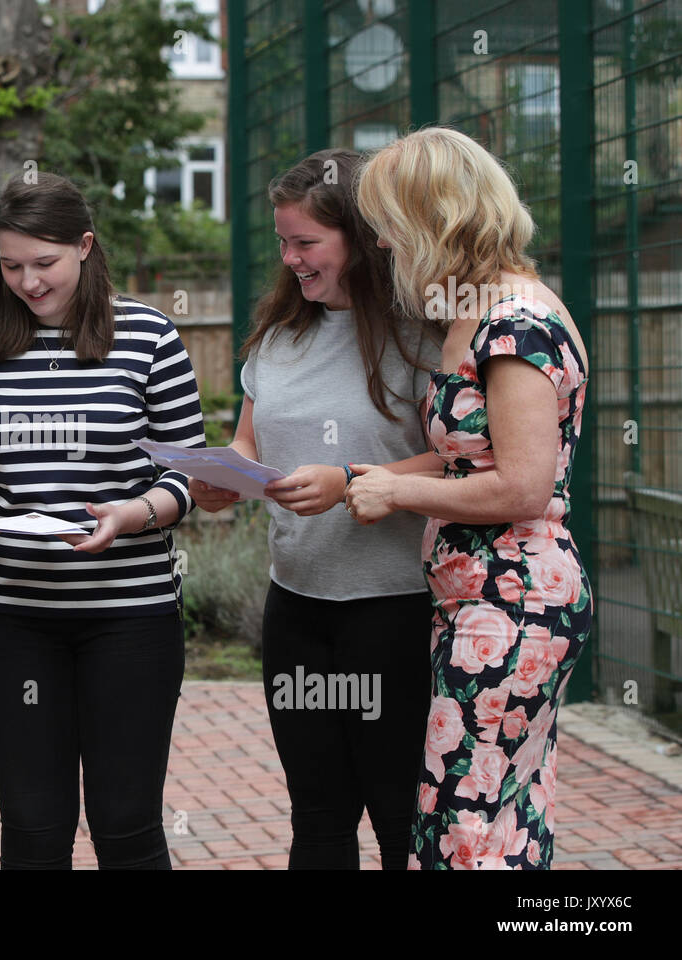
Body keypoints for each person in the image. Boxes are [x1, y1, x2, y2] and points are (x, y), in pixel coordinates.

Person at [0, 172, 205, 870]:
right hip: (15, 619)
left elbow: (188, 476)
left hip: (131, 618)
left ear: (85, 247)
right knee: (32, 830)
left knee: (125, 828)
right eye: (11, 265)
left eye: (45, 262)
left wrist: (135, 513)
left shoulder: (148, 335)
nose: (28, 281)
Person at [190, 148, 443, 869]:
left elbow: (459, 458)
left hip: (393, 609)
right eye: (283, 242)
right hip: (297, 607)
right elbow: (248, 442)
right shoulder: (277, 335)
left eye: (307, 243)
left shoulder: (422, 336)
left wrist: (352, 478)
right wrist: (219, 479)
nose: (291, 258)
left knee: (401, 815)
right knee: (319, 818)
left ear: (361, 240)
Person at [348, 127, 592, 870]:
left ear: (436, 217)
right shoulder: (477, 310)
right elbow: (469, 457)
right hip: (483, 602)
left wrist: (398, 493)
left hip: (514, 603)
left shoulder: (516, 324)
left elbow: (523, 483)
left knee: (468, 828)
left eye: (389, 222)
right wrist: (365, 478)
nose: (383, 243)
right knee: (498, 821)